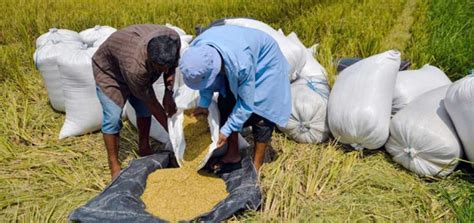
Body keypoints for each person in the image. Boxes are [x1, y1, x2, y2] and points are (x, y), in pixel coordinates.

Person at [179, 25, 291, 173]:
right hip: (235, 49)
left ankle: (257, 166)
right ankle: (233, 154)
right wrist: (204, 104)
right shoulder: (197, 50)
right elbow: (205, 80)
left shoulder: (241, 65)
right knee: (226, 102)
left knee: (261, 115)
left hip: (266, 63)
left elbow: (245, 104)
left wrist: (226, 130)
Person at [92, 24, 180, 179]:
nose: (165, 72)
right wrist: (174, 133)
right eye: (160, 67)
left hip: (128, 60)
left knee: (143, 110)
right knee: (113, 118)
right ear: (149, 60)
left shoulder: (172, 39)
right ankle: (114, 165)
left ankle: (144, 147)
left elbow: (171, 67)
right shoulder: (136, 68)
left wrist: (168, 92)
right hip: (110, 72)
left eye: (166, 67)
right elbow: (152, 104)